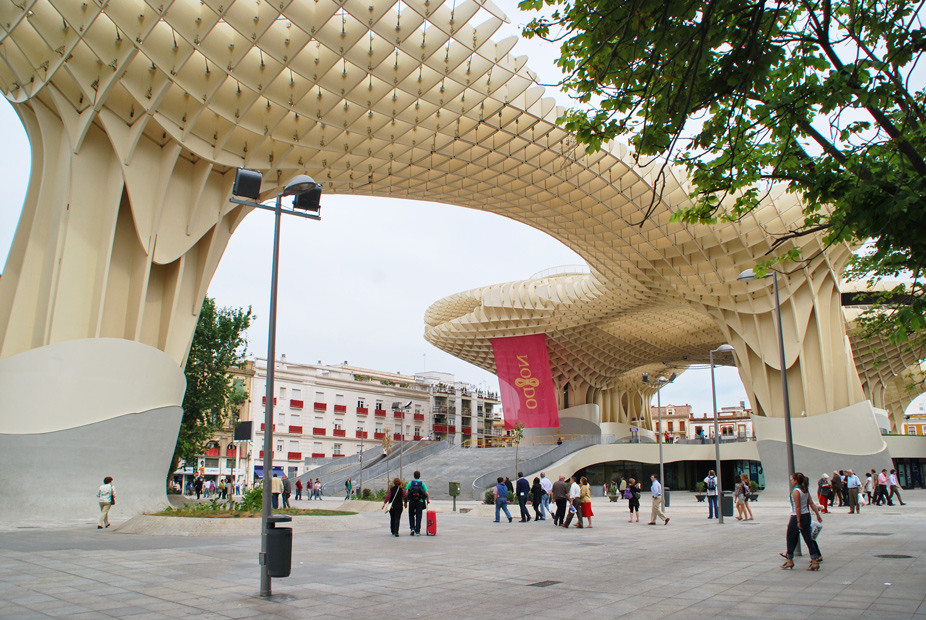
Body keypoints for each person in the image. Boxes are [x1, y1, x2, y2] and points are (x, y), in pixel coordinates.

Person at [780, 472, 823, 571]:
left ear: (795, 481)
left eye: (792, 480)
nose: (792, 481)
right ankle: (814, 560)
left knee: (790, 537)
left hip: (797, 516)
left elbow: (797, 507)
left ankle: (790, 559)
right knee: (808, 538)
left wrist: (798, 521)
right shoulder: (805, 490)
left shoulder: (796, 491)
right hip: (807, 515)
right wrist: (817, 514)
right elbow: (811, 503)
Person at [404, 470, 430, 535]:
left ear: (414, 476)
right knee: (419, 516)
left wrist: (406, 501)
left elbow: (406, 492)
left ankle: (412, 528)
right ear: (419, 476)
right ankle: (418, 531)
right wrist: (427, 500)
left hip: (412, 501)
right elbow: (426, 493)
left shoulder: (411, 483)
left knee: (411, 515)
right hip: (419, 501)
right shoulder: (422, 484)